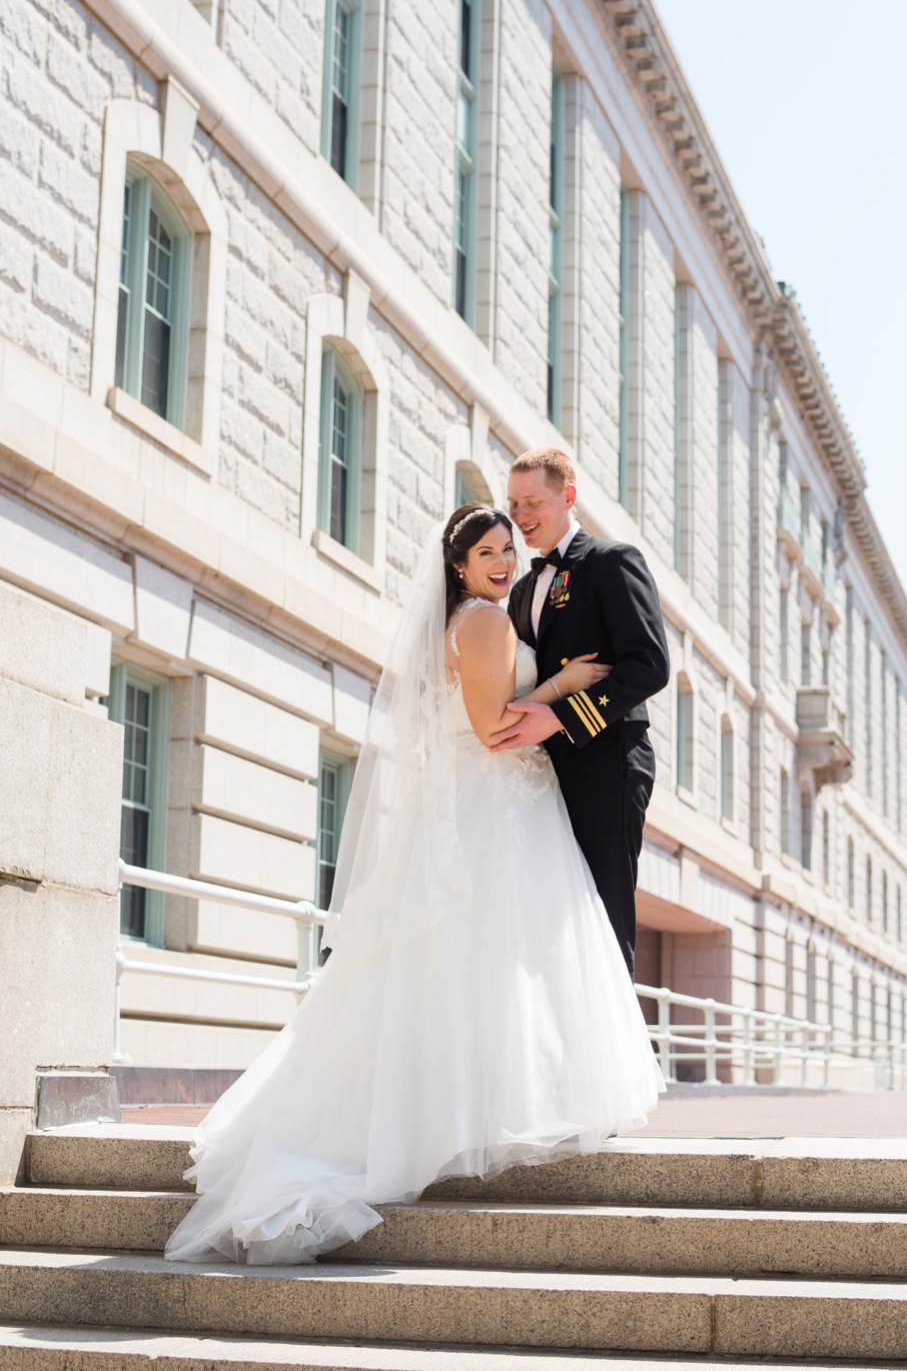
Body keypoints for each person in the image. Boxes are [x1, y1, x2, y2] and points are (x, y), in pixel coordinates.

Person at [164, 504, 664, 1267]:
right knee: (502, 952)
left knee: (476, 960)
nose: (501, 561)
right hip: (501, 799)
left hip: (487, 800)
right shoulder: (487, 624)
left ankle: (463, 1105)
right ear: (458, 566)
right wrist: (566, 678)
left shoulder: (463, 622)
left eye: (507, 548)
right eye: (486, 553)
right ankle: (476, 1112)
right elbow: (496, 728)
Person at [496, 449, 670, 974]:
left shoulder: (612, 562)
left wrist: (563, 717)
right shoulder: (522, 588)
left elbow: (650, 667)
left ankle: (614, 1054)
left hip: (605, 761)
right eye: (512, 503)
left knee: (601, 914)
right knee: (547, 918)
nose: (521, 514)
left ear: (567, 497)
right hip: (542, 769)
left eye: (532, 501)